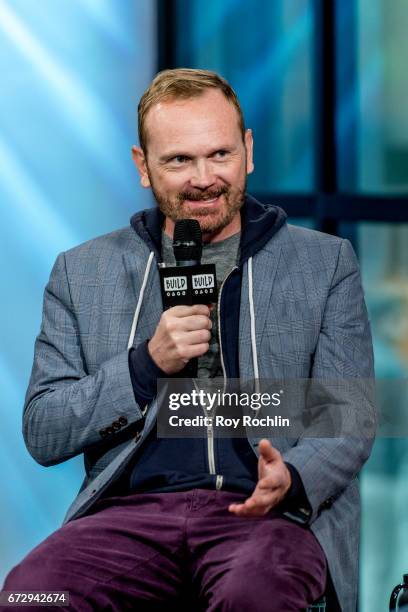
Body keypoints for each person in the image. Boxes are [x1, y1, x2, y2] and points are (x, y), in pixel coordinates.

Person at [1, 68, 374, 611]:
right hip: (127, 518)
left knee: (255, 593)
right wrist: (144, 366)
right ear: (143, 166)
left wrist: (292, 478)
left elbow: (349, 415)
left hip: (265, 516)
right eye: (179, 160)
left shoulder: (323, 263)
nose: (204, 178)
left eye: (219, 154)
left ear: (248, 151)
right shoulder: (82, 273)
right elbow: (44, 428)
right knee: (32, 597)